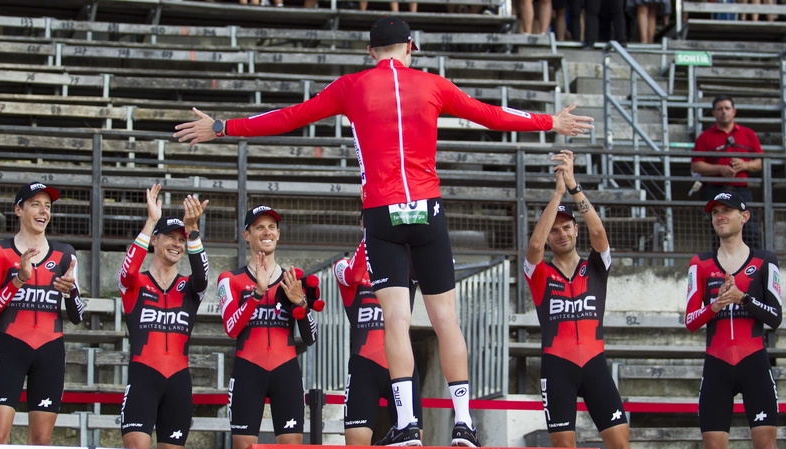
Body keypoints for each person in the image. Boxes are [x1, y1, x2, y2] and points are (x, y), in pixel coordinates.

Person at [174, 16, 593, 447]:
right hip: (427, 209)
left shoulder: (351, 86)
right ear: (410, 47)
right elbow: (490, 114)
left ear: (370, 52)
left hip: (381, 212)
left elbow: (288, 117)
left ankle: (408, 423)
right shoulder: (433, 84)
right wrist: (550, 121)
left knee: (395, 318)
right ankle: (463, 423)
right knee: (445, 319)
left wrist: (223, 127)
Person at [524, 150, 630, 449]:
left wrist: (573, 186)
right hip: (558, 367)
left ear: (576, 230)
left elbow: (599, 230)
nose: (561, 234)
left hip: (595, 363)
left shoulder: (595, 266)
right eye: (554, 231)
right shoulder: (540, 273)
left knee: (621, 442)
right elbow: (533, 244)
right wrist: (558, 193)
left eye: (566, 227)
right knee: (564, 447)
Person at [0, 182, 85, 445]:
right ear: (18, 210)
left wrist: (70, 292)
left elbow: (77, 316)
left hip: (50, 353)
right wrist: (18, 279)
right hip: (10, 350)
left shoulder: (65, 254)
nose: (43, 211)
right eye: (35, 204)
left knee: (41, 441)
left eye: (48, 206)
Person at [685, 190, 781, 449]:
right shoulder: (700, 263)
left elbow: (775, 318)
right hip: (717, 365)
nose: (720, 216)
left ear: (744, 216)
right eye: (715, 213)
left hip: (755, 364)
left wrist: (743, 298)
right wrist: (715, 306)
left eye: (726, 210)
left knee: (765, 445)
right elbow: (691, 321)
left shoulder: (765, 261)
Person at [217, 205, 317, 449]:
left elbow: (311, 336)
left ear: (278, 234)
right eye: (259, 227)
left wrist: (301, 303)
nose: (267, 232)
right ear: (247, 235)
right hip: (247, 370)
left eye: (272, 227)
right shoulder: (230, 279)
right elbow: (231, 328)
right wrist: (257, 293)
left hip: (287, 370)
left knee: (291, 446)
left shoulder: (291, 280)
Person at [117, 184, 209, 449]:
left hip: (179, 383)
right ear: (155, 240)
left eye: (181, 240)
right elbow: (127, 270)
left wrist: (192, 232)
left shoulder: (190, 287)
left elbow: (203, 276)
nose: (177, 244)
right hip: (143, 380)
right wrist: (151, 222)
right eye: (170, 237)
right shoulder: (135, 284)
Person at [334, 216, 423, 445]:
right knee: (356, 443)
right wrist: (372, 235)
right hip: (365, 365)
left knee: (413, 442)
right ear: (362, 224)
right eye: (372, 218)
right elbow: (353, 275)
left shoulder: (407, 264)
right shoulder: (343, 265)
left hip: (403, 366)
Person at [691, 94, 763, 250]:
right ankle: (720, 271)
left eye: (727, 108)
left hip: (741, 191)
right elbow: (696, 166)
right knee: (720, 231)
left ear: (734, 111)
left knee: (750, 230)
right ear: (713, 113)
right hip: (716, 190)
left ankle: (757, 268)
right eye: (719, 109)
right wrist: (720, 169)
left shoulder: (748, 134)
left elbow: (759, 163)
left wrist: (744, 165)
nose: (724, 112)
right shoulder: (704, 137)